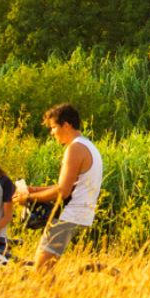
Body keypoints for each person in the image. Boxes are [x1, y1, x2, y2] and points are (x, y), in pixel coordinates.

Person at [15, 104, 103, 272]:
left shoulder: (74, 149)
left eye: (54, 127)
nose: (52, 132)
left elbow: (63, 191)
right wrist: (34, 190)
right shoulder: (89, 146)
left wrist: (28, 199)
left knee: (41, 271)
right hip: (80, 214)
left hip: (68, 215)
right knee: (44, 269)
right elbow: (68, 185)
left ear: (67, 125)